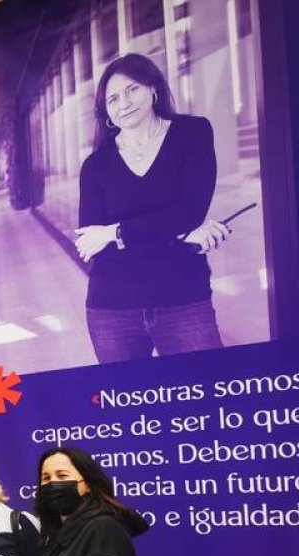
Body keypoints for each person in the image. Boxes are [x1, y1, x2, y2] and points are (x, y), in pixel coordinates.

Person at [74, 53, 230, 363]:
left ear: (153, 88)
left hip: (183, 300)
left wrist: (114, 232)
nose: (124, 104)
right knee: (129, 409)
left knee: (213, 398)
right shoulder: (95, 166)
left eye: (132, 90)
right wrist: (178, 238)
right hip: (111, 310)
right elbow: (92, 247)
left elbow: (190, 212)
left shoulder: (192, 133)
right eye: (113, 98)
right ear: (105, 110)